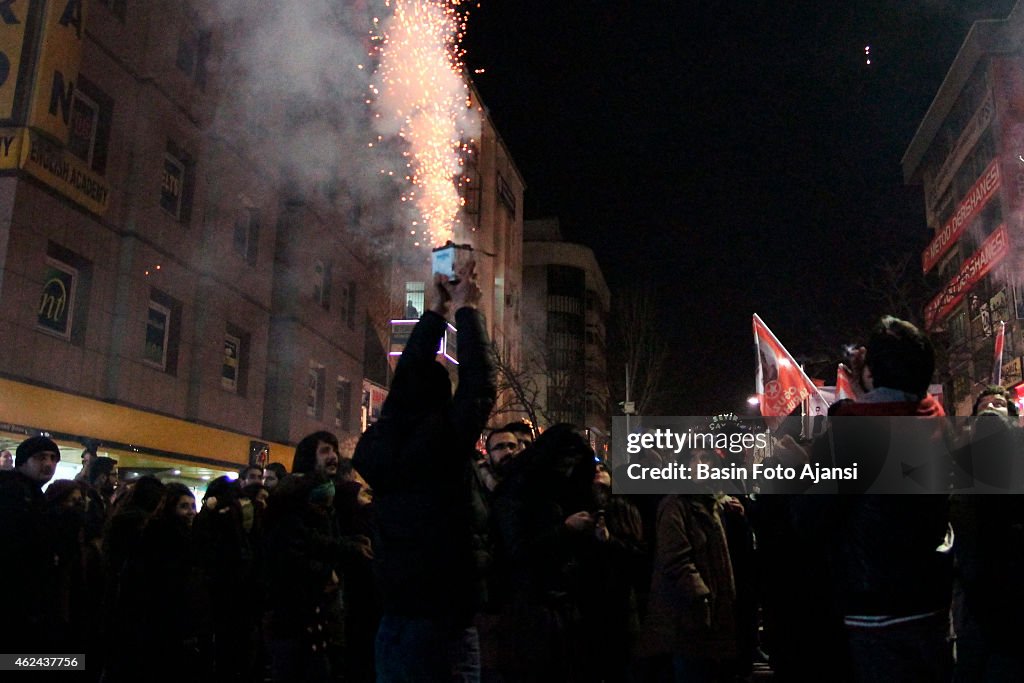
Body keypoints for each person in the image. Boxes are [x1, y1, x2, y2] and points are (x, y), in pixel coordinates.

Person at [354, 260, 496, 682]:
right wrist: (466, 310)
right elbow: (480, 384)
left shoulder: (381, 448)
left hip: (395, 616)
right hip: (442, 621)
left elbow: (409, 376)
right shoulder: (441, 445)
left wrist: (436, 310)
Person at [801, 316, 953, 682]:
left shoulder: (850, 433)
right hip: (931, 604)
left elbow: (807, 518)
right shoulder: (935, 422)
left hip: (874, 610)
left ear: (873, 371)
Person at [0, 436, 62, 651]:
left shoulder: (33, 494)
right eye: (40, 457)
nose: (49, 464)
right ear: (23, 462)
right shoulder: (12, 492)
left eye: (54, 458)